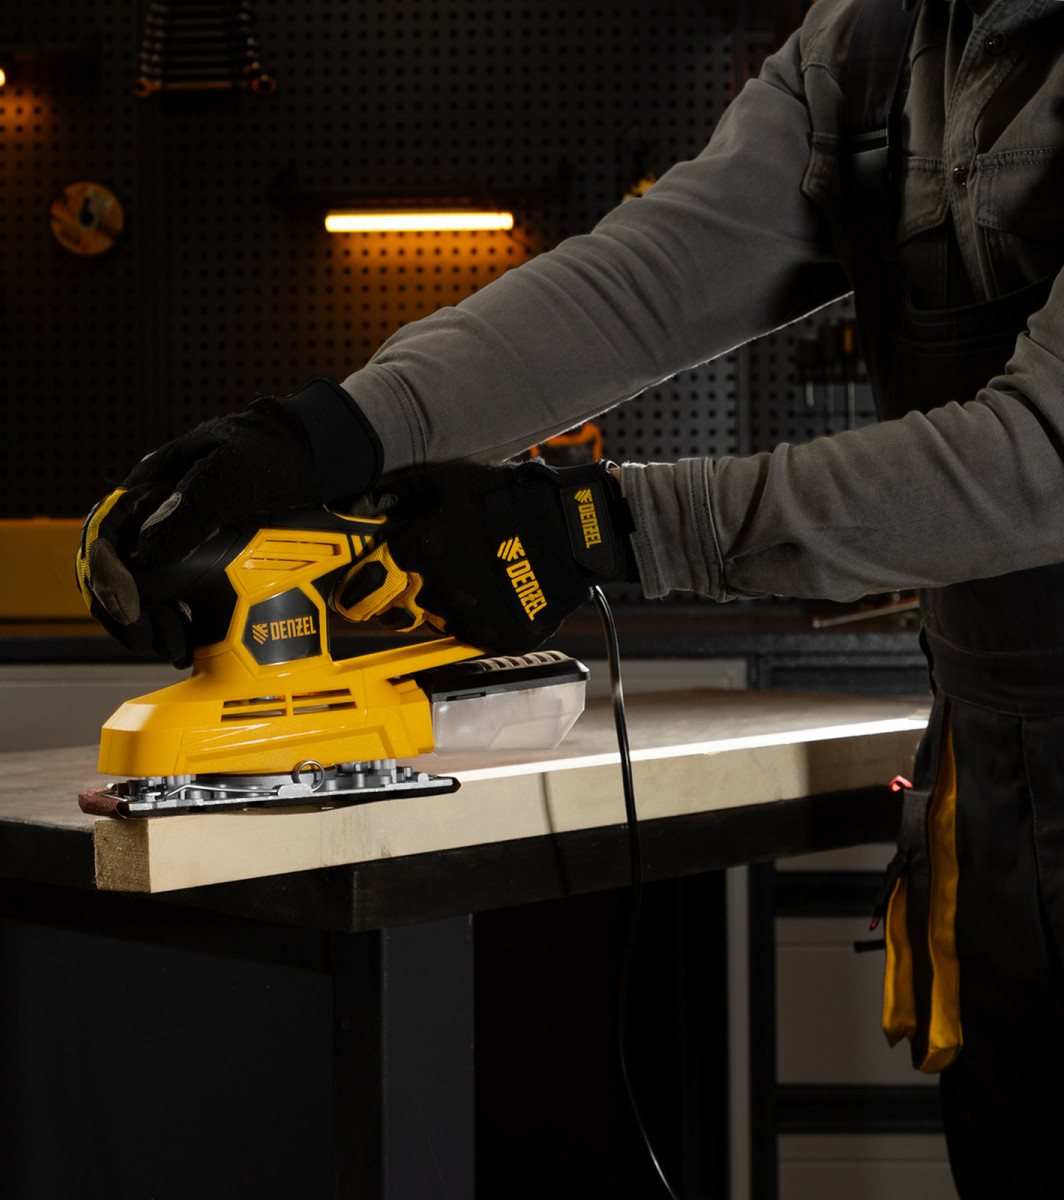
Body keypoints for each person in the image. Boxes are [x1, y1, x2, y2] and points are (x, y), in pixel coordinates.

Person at [76, 1, 1064, 1193]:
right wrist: (328, 434)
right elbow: (649, 281)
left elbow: (1044, 461)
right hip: (993, 780)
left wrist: (605, 523)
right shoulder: (873, 37)